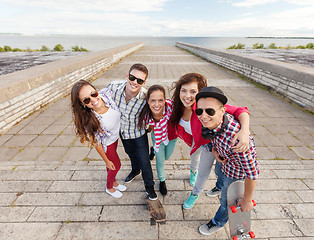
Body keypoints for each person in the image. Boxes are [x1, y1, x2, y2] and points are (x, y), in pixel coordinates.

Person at [170, 73, 250, 209]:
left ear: (200, 93)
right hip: (195, 142)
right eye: (183, 90)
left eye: (193, 91)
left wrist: (244, 132)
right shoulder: (177, 107)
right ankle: (192, 172)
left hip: (210, 144)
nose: (187, 96)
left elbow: (240, 110)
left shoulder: (204, 107)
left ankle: (195, 194)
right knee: (193, 158)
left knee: (205, 172)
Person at [195, 86, 259, 236]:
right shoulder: (212, 122)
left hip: (235, 172)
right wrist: (214, 150)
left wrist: (247, 200)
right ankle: (219, 186)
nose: (203, 116)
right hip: (223, 161)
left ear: (223, 111)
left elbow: (252, 173)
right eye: (199, 111)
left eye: (210, 111)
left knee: (225, 201)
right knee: (218, 173)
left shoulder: (238, 141)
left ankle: (218, 222)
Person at [106, 63, 157, 200]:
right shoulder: (113, 87)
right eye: (132, 77)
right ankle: (135, 170)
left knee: (144, 160)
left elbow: (158, 108)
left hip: (138, 133)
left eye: (139, 80)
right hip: (122, 132)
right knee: (130, 153)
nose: (134, 82)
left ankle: (149, 187)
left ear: (144, 82)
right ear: (127, 75)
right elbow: (99, 99)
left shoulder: (146, 96)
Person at [71, 80, 126, 198]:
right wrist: (106, 160)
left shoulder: (106, 95)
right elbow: (97, 144)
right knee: (115, 165)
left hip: (115, 138)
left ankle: (114, 182)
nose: (93, 99)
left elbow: (121, 85)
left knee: (113, 167)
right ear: (83, 104)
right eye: (86, 100)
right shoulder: (91, 122)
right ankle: (109, 187)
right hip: (107, 145)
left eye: (93, 94)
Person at [138, 85, 178, 196]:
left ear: (165, 100)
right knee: (160, 161)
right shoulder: (146, 114)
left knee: (167, 157)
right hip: (158, 139)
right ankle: (162, 181)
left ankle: (153, 151)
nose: (157, 104)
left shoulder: (171, 108)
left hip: (172, 138)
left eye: (160, 100)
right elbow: (150, 126)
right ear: (148, 101)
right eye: (153, 100)